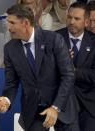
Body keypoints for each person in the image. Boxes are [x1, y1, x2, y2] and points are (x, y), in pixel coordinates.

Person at [2, 4, 77, 131]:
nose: (8, 27)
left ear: (25, 23)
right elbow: (11, 83)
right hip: (34, 110)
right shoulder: (9, 48)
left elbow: (68, 75)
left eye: (12, 23)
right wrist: (6, 100)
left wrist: (55, 107)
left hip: (61, 106)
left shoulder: (53, 39)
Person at [57, 2, 95, 131]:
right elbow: (45, 71)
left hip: (88, 106)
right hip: (62, 104)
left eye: (77, 18)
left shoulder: (94, 42)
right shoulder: (55, 38)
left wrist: (73, 71)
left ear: (86, 22)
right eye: (69, 17)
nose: (71, 21)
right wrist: (60, 62)